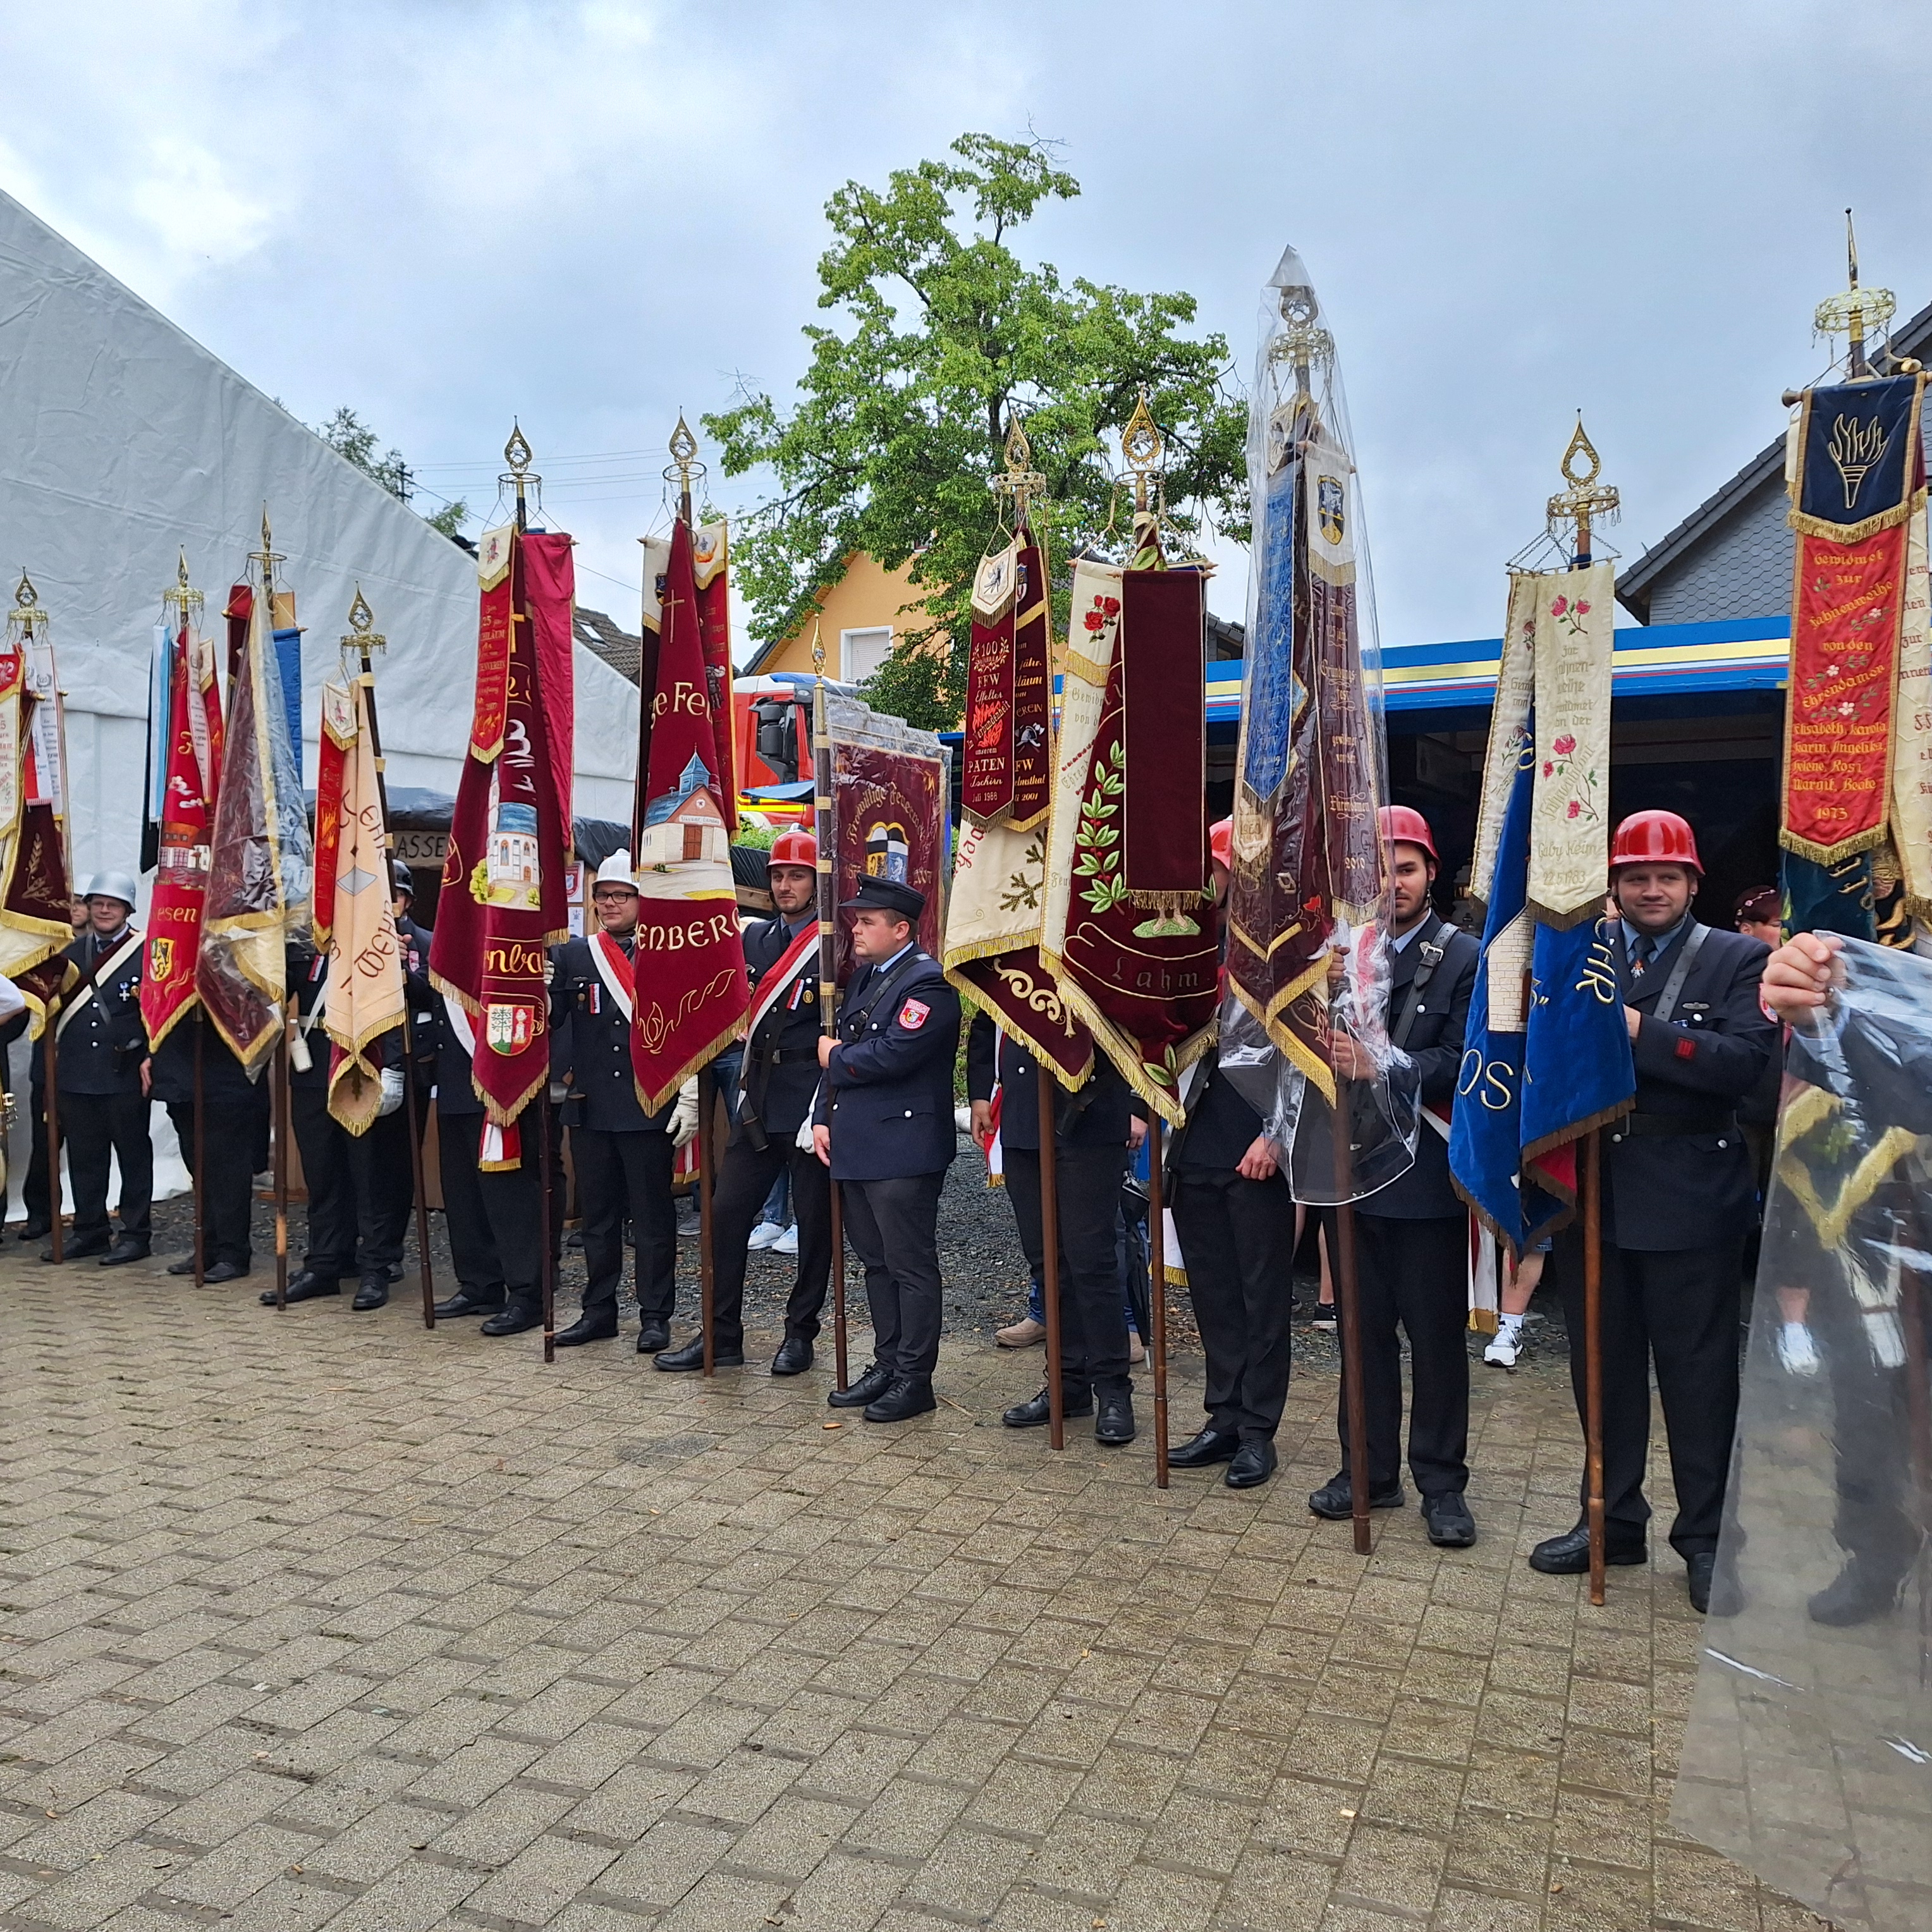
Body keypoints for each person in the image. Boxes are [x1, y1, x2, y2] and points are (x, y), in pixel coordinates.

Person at [1527, 809, 1775, 1613]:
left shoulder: (1738, 957)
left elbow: (1747, 1070)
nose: (1650, 887)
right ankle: (1610, 1517)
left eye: (1665, 875)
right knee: (1600, 1374)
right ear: (1614, 885)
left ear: (1692, 883)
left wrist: (1640, 1030)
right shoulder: (1582, 952)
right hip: (1593, 1188)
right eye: (1635, 875)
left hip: (1688, 1194)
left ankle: (1706, 1539)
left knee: (1698, 1380)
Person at [1311, 807, 1481, 1543]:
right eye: (1378, 868)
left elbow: (1470, 1061)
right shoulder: (1339, 955)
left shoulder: (1466, 955)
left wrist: (1381, 1062)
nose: (1392, 882)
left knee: (1436, 1339)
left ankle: (1441, 1483)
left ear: (1429, 872)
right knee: (1360, 1333)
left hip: (1426, 1177)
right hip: (1350, 1170)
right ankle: (1368, 1470)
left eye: (1405, 867)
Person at [1760, 928, 1929, 1623]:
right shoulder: (1886, 945)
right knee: (1865, 1403)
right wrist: (1816, 1003)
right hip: (1888, 1225)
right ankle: (1873, 1553)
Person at [660, 828, 830, 1374]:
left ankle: (800, 1334)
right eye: (778, 876)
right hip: (757, 1100)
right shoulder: (753, 941)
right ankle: (721, 1333)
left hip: (811, 1103)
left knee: (815, 1226)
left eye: (796, 876)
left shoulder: (838, 944)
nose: (785, 885)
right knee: (726, 1214)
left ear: (816, 882)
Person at [1165, 816, 1299, 1488]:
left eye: (1216, 868)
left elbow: (1301, 1056)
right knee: (1213, 1294)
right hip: (1192, 1141)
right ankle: (1221, 1414)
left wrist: (1276, 1134)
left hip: (1254, 1146)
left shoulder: (1281, 951)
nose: (1208, 880)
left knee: (1260, 1297)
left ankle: (1256, 1429)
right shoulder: (1184, 947)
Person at [812, 876, 960, 1424]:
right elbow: (849, 1051)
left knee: (909, 1265)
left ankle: (915, 1378)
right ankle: (888, 1361)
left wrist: (835, 1060)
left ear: (901, 930)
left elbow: (893, 1054)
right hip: (858, 1143)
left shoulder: (929, 985)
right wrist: (823, 1117)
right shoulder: (867, 980)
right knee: (876, 1263)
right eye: (857, 919)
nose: (857, 928)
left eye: (868, 921)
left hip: (902, 1147)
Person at [968, 1011, 1141, 1445]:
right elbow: (990, 1016)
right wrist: (979, 1095)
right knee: (1047, 1260)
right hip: (1026, 1116)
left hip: (1092, 1109)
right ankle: (1068, 1383)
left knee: (1092, 1260)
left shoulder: (1098, 942)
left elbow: (1142, 1018)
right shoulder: (1013, 945)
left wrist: (1139, 1104)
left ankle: (1114, 1390)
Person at [551, 852, 695, 1350]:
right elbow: (552, 1020)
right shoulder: (573, 956)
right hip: (591, 1104)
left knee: (653, 1219)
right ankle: (599, 1310)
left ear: (642, 901)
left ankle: (656, 1315)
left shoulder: (667, 952)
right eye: (603, 896)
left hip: (646, 1103)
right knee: (598, 1219)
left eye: (621, 896)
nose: (610, 904)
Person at [427, 984, 556, 1332]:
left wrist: (504, 1083)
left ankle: (528, 1295)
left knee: (509, 1198)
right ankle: (479, 1285)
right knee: (461, 1193)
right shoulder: (448, 953)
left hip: (500, 1079)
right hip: (455, 1080)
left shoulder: (503, 949)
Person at [41, 872, 151, 1265]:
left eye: (114, 905)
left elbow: (156, 1012)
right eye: (99, 903)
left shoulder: (146, 952)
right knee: (86, 1157)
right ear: (88, 907)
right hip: (76, 1071)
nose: (105, 910)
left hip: (123, 1069)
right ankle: (91, 1231)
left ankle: (136, 1234)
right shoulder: (70, 952)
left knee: (133, 1155)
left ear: (127, 910)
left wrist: (150, 1055)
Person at [150, 1009, 267, 1282]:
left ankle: (232, 1252)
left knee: (227, 1165)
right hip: (180, 1064)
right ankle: (207, 1245)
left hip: (226, 1065)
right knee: (196, 1161)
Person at [17, 893, 89, 1242]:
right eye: (69, 902)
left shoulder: (100, 952)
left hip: (87, 1064)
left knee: (86, 1146)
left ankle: (89, 1219)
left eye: (80, 903)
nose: (74, 909)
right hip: (48, 1061)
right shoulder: (42, 951)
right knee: (45, 1143)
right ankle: (40, 1212)